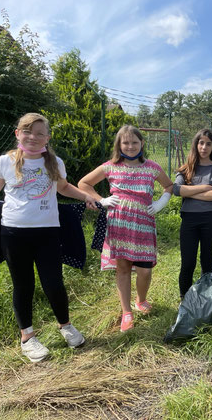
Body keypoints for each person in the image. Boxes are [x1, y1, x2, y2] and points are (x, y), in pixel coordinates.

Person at [0, 113, 97, 362]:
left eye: (40, 133)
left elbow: (63, 188)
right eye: (28, 131)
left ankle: (65, 326)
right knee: (23, 285)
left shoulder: (55, 162)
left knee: (54, 283)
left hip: (48, 232)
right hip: (12, 233)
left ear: (47, 138)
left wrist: (86, 197)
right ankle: (28, 338)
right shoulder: (5, 161)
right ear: (17, 134)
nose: (33, 137)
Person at [79, 125, 173, 332]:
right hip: (118, 225)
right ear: (119, 145)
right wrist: (101, 199)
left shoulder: (153, 167)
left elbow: (169, 186)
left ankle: (141, 300)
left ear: (141, 144)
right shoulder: (110, 167)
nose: (130, 147)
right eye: (126, 142)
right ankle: (126, 311)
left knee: (145, 270)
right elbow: (84, 184)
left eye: (134, 142)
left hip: (144, 226)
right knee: (122, 268)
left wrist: (161, 203)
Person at [173, 129, 212, 299]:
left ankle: (206, 299)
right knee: (187, 263)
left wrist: (188, 191)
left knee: (207, 262)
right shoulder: (185, 169)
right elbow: (176, 189)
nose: (204, 147)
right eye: (201, 142)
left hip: (211, 220)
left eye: (208, 144)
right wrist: (204, 187)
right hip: (189, 221)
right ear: (196, 145)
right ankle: (185, 299)